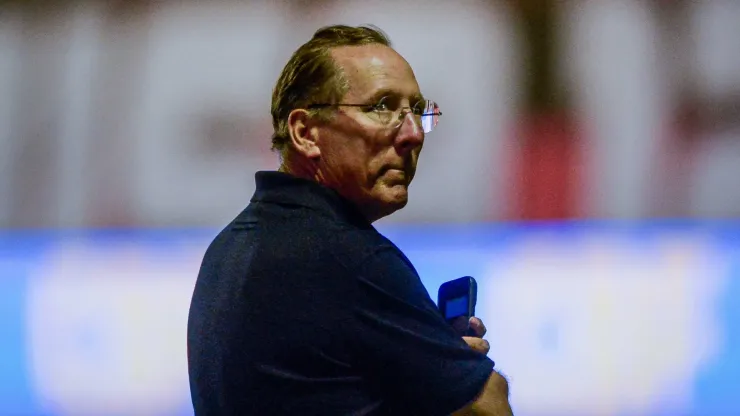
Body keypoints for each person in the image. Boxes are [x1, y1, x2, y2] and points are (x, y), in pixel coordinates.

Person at [187, 24, 513, 415]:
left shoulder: (228, 248)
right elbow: (488, 408)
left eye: (417, 111)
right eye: (382, 107)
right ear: (306, 132)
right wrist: (457, 375)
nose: (412, 134)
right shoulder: (352, 259)